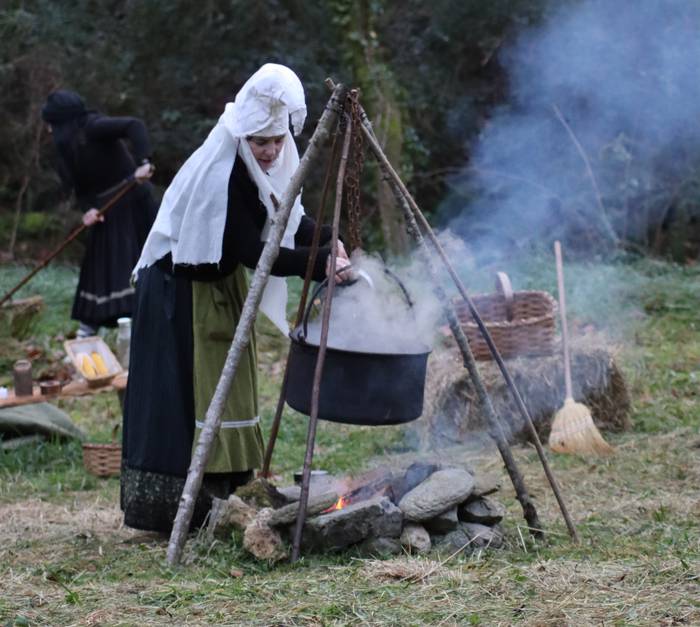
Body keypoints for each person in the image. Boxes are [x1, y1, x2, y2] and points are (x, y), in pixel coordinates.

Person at [120, 63, 350, 532]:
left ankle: (226, 493)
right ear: (242, 135)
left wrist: (332, 239)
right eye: (259, 142)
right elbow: (250, 249)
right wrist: (319, 259)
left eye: (276, 141)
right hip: (178, 295)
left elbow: (288, 216)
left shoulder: (269, 165)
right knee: (188, 394)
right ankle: (183, 506)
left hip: (218, 286)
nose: (268, 152)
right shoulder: (222, 172)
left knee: (230, 387)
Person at [41, 90, 158, 337]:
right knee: (97, 273)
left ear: (64, 122)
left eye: (53, 124)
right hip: (106, 211)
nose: (50, 130)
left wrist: (144, 162)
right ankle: (87, 336)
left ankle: (143, 336)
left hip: (133, 204)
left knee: (132, 271)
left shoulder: (94, 127)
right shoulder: (66, 148)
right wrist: (88, 210)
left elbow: (134, 125)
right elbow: (81, 189)